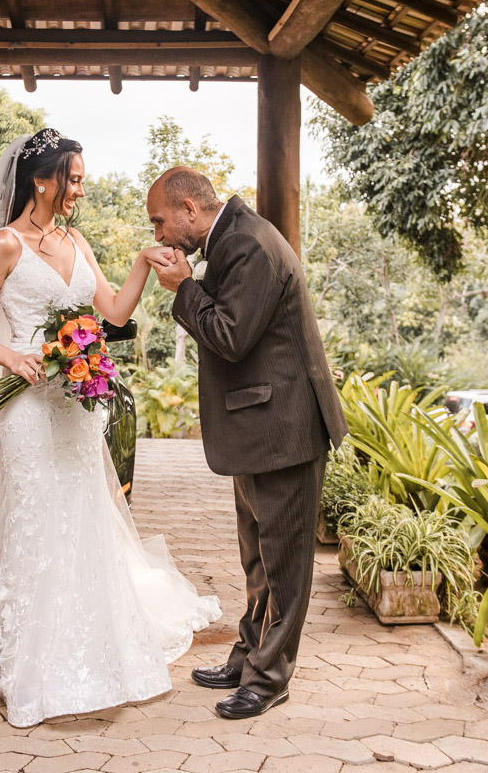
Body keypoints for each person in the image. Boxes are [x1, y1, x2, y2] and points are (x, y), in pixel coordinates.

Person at [0, 130, 220, 728]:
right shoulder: (5, 245)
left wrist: (142, 263)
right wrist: (12, 357)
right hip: (27, 405)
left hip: (74, 403)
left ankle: (90, 639)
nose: (79, 190)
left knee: (81, 512)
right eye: (72, 179)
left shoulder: (76, 241)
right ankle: (29, 651)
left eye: (81, 180)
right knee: (36, 514)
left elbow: (114, 312)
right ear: (41, 180)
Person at [145, 167, 348, 720]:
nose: (158, 235)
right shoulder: (231, 238)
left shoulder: (247, 243)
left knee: (283, 564)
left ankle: (269, 678)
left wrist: (183, 287)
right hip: (260, 427)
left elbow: (230, 336)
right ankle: (249, 656)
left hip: (284, 430)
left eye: (160, 221)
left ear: (189, 208)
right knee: (258, 556)